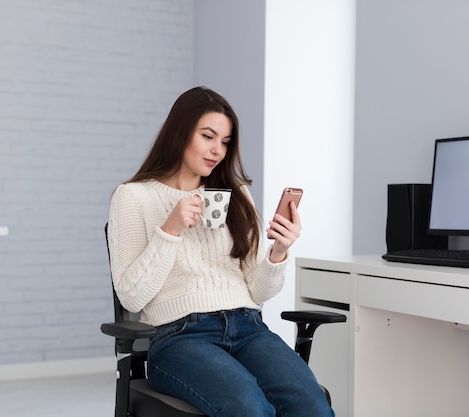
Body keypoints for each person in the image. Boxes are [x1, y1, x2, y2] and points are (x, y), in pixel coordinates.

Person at [107, 86, 334, 417]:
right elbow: (131, 298)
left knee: (312, 404)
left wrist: (278, 252)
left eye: (225, 142)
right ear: (180, 132)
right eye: (208, 136)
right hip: (179, 338)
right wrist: (169, 231)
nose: (217, 150)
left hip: (248, 327)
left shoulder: (236, 194)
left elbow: (259, 291)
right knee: (250, 408)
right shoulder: (132, 197)